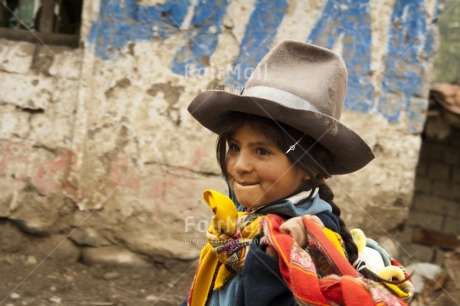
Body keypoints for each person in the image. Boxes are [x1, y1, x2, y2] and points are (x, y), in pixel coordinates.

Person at [183, 40, 413, 306]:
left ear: (311, 166)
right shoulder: (244, 220)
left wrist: (269, 260)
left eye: (262, 152)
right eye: (234, 147)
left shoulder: (312, 242)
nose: (239, 165)